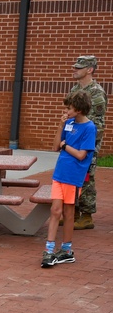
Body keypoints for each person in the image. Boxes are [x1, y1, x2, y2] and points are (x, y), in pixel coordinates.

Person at [42, 91, 96, 267]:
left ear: (79, 109)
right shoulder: (69, 123)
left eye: (69, 108)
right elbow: (55, 146)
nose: (67, 110)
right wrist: (60, 125)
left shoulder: (89, 128)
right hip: (59, 173)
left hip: (73, 176)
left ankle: (66, 250)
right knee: (55, 211)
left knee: (68, 212)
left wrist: (66, 146)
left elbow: (81, 155)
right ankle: (49, 250)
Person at [66, 55, 107, 229]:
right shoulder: (75, 89)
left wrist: (82, 143)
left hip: (87, 143)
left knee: (86, 178)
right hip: (72, 142)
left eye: (79, 67)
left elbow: (96, 123)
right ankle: (73, 212)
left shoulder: (97, 92)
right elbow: (70, 116)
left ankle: (87, 215)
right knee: (72, 177)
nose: (74, 69)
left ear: (89, 69)